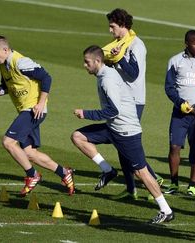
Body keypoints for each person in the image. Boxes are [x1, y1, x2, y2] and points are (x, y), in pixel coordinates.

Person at [71, 45, 174, 224]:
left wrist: (86, 114)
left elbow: (113, 111)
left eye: (87, 62)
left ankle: (166, 210)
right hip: (113, 128)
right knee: (78, 137)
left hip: (126, 132)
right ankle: (108, 170)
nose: (84, 65)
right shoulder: (102, 74)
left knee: (141, 172)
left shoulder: (107, 79)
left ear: (97, 61)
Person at [0, 36, 75, 197]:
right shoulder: (4, 65)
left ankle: (32, 175)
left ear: (5, 50)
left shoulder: (21, 62)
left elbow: (46, 77)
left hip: (33, 110)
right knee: (30, 153)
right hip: (25, 110)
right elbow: (7, 86)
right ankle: (64, 172)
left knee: (8, 142)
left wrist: (40, 103)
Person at [102, 8, 162, 200]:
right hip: (122, 99)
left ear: (122, 25)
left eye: (112, 26)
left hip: (134, 101)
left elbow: (133, 73)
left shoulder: (136, 45)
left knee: (128, 144)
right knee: (121, 145)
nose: (110, 31)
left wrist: (117, 58)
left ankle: (153, 180)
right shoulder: (119, 44)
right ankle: (131, 189)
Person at [164, 30, 195, 196]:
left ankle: (192, 185)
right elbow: (169, 87)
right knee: (174, 146)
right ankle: (174, 183)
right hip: (180, 114)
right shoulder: (175, 61)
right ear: (187, 44)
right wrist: (180, 103)